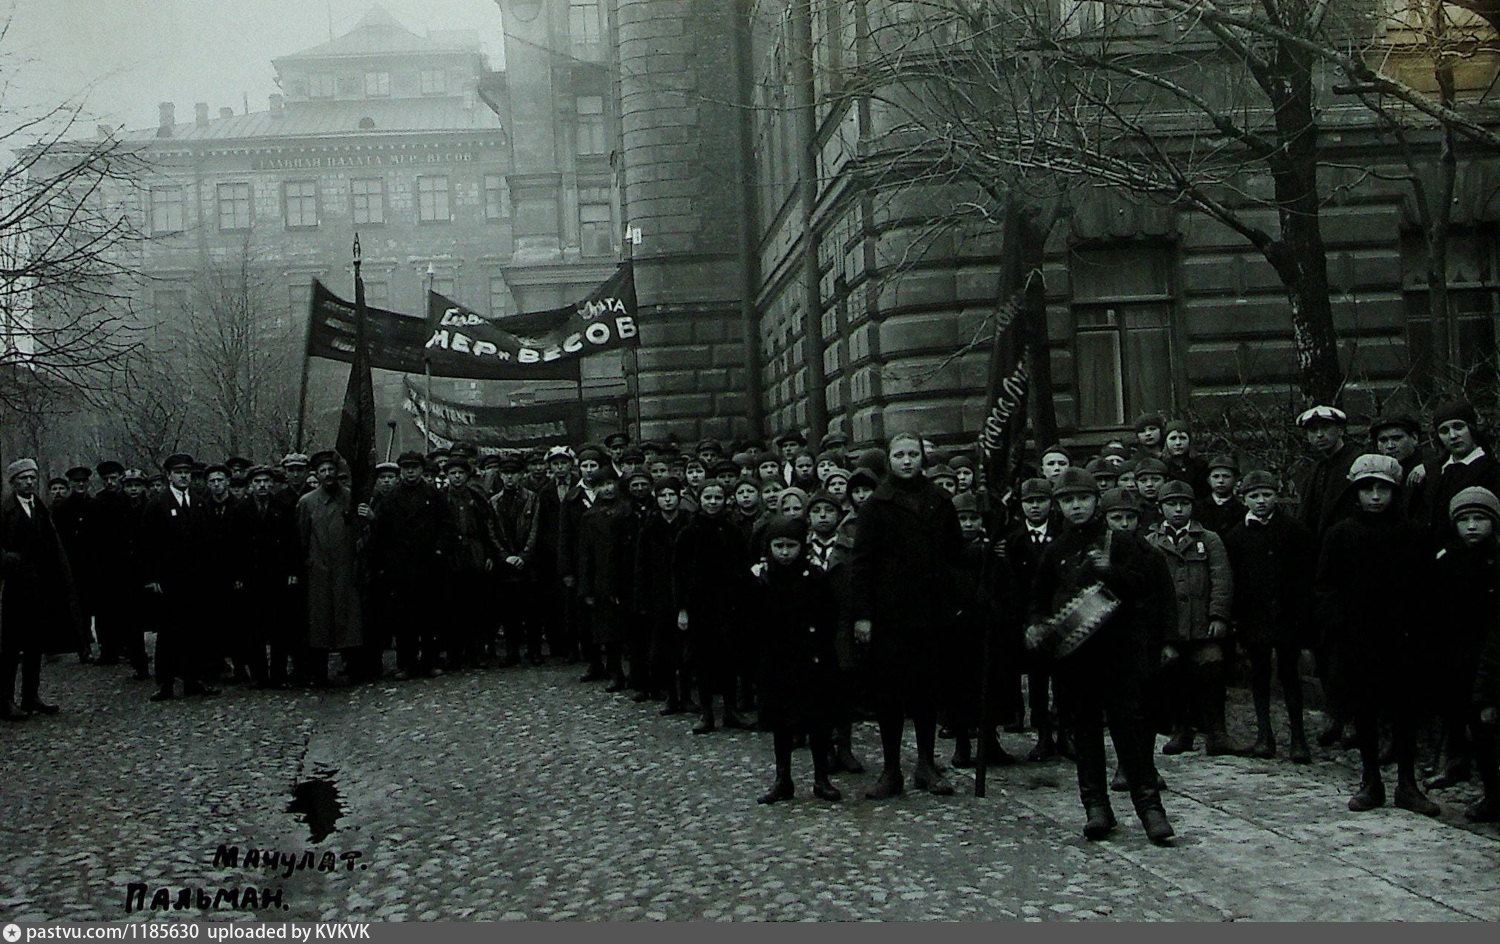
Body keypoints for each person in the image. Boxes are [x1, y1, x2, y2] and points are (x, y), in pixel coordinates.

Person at [1029, 467, 1175, 845]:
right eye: (1067, 500)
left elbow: (1146, 587)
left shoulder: (1121, 542)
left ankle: (1150, 810)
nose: (1076, 506)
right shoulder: (1055, 550)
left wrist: (1113, 574)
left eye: (1082, 498)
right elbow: (1039, 600)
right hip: (1075, 658)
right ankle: (1096, 807)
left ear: (1097, 500)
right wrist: (1034, 626)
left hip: (1119, 652)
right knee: (1085, 732)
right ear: (1059, 505)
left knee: (1130, 730)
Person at [1315, 453, 1439, 816]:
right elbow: (1325, 586)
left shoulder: (1413, 534)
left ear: (1394, 492)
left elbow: (1427, 587)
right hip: (1358, 639)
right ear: (1355, 493)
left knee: (1405, 711)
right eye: (1366, 489)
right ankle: (1370, 781)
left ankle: (1407, 783)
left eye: (1382, 490)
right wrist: (1338, 624)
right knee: (1364, 712)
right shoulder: (1341, 534)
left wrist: (1420, 628)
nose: (1374, 497)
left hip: (1403, 639)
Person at [851, 432, 964, 799]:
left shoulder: (940, 501)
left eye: (913, 454)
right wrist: (863, 615)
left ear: (923, 459)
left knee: (927, 691)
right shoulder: (876, 506)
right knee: (890, 694)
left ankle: (927, 765)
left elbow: (954, 557)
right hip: (889, 615)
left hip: (930, 613)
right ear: (889, 460)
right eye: (899, 454)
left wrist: (955, 602)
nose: (906, 461)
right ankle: (891, 769)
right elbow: (862, 565)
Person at [1221, 470, 1316, 762]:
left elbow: (1306, 575)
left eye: (1266, 495)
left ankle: (1298, 739)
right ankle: (1265, 736)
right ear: (1244, 499)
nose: (1261, 501)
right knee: (1259, 675)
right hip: (1254, 617)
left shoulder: (1294, 530)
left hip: (1288, 616)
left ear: (1277, 496)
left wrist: (1304, 615)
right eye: (1253, 496)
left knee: (1290, 675)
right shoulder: (1236, 536)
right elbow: (1231, 578)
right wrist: (1236, 617)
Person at [750, 515, 843, 804]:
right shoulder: (762, 579)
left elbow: (829, 616)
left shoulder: (815, 578)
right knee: (781, 723)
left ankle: (821, 778)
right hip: (776, 660)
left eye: (791, 545)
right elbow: (751, 620)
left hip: (811, 658)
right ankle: (783, 778)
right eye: (779, 545)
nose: (785, 552)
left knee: (817, 721)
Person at [1145, 479, 1239, 757]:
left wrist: (1218, 616)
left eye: (1184, 504)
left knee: (1211, 669)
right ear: (1160, 508)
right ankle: (1181, 731)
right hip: (1170, 627)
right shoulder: (1151, 543)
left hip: (1202, 623)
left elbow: (1222, 579)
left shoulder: (1208, 540)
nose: (1178, 510)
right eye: (1171, 504)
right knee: (1174, 676)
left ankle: (1217, 732)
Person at [1426, 486, 1500, 820]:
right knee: (1471, 725)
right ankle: (1489, 791)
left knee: (1490, 724)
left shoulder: (1496, 561)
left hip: (1492, 656)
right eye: (1464, 520)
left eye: (1479, 519)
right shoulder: (1447, 560)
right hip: (1458, 656)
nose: (1471, 526)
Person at [1, 458, 80, 718]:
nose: (29, 482)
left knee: (36, 644)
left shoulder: (40, 507)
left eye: (32, 478)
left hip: (40, 587)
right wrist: (12, 560)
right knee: (11, 647)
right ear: (13, 483)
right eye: (23, 479)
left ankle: (30, 696)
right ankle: (5, 700)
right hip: (13, 588)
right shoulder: (5, 509)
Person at [947, 491, 1017, 769]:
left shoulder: (994, 551)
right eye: (961, 519)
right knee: (959, 687)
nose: (967, 524)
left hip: (988, 629)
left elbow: (1006, 586)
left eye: (972, 518)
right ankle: (962, 744)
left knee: (991, 686)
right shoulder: (948, 552)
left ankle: (990, 741)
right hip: (958, 630)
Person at [674, 481, 751, 733]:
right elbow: (679, 574)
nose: (713, 502)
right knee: (703, 659)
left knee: (731, 658)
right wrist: (683, 608)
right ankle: (707, 712)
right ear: (700, 499)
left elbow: (743, 567)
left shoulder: (733, 531)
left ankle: (731, 710)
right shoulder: (689, 533)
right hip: (700, 607)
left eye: (718, 497)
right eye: (708, 497)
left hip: (729, 605)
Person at [368, 451, 452, 679]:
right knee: (404, 618)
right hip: (401, 566)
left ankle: (431, 662)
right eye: (406, 468)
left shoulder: (433, 494)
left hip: (429, 564)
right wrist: (385, 562)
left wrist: (438, 549)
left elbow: (446, 525)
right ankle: (406, 663)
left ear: (422, 470)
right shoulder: (391, 497)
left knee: (430, 617)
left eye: (414, 467)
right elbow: (381, 533)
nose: (410, 471)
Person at [140, 453, 216, 702]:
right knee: (169, 632)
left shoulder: (200, 502)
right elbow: (147, 545)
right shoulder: (157, 504)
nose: (184, 476)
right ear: (169, 475)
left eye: (187, 472)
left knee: (197, 630)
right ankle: (165, 683)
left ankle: (194, 679)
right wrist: (152, 577)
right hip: (169, 580)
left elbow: (208, 542)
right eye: (179, 472)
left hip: (197, 579)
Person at [999, 477, 1062, 755]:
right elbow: (1009, 584)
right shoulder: (1013, 540)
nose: (1035, 507)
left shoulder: (1062, 534)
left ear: (1052, 503)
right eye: (1029, 501)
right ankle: (1043, 734)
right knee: (1037, 678)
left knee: (1063, 678)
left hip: (1060, 616)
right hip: (1028, 619)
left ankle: (1066, 732)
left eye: (1041, 500)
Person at [296, 452, 365, 686]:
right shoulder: (306, 502)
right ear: (316, 474)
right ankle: (318, 673)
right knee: (319, 623)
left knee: (349, 619)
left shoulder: (350, 499)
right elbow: (302, 538)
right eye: (323, 471)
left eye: (331, 470)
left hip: (346, 568)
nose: (328, 475)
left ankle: (355, 668)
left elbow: (361, 534)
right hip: (319, 570)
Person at [234, 466, 301, 688]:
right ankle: (260, 675)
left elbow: (293, 542)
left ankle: (279, 675)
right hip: (252, 577)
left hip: (278, 576)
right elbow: (232, 546)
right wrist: (238, 575)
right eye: (257, 482)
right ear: (251, 485)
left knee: (279, 629)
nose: (262, 485)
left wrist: (292, 571)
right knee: (254, 629)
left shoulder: (283, 507)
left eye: (266, 481)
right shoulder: (240, 510)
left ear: (272, 484)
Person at [635, 477, 692, 714]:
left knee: (687, 650)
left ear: (680, 496)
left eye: (671, 495)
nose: (667, 500)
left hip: (687, 594)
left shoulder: (689, 524)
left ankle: (687, 696)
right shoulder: (649, 528)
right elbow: (641, 566)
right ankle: (671, 695)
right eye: (662, 496)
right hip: (659, 596)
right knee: (665, 649)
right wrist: (643, 599)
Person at [490, 455, 541, 666]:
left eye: (514, 474)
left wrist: (524, 556)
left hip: (527, 563)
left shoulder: (532, 498)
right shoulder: (494, 501)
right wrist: (505, 556)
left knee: (531, 610)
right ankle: (512, 652)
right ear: (501, 476)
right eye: (505, 474)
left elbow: (535, 528)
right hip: (506, 563)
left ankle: (534, 651)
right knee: (508, 610)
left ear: (521, 475)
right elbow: (491, 532)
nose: (509, 478)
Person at [1196, 455, 1244, 536]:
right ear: (1208, 480)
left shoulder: (1242, 511)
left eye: (1226, 476)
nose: (1221, 481)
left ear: (1235, 479)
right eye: (1216, 476)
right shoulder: (1198, 508)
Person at [1161, 420, 1209, 500]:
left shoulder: (1201, 467)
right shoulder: (1161, 466)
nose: (1178, 443)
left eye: (1182, 438)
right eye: (1173, 438)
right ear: (1166, 441)